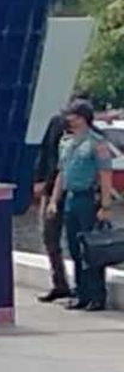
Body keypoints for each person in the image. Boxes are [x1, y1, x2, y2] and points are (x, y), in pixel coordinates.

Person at [48, 99, 113, 312]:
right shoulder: (66, 142)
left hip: (88, 198)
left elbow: (105, 175)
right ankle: (81, 293)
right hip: (71, 198)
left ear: (82, 118)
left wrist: (105, 205)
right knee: (74, 248)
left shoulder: (97, 143)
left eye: (72, 115)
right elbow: (62, 174)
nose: (68, 119)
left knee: (91, 249)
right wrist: (54, 201)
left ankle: (96, 295)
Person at [32, 93, 88, 303]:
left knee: (78, 239)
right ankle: (60, 283)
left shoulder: (91, 135)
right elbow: (46, 151)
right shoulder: (57, 124)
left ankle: (82, 286)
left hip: (76, 190)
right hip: (52, 187)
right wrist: (39, 179)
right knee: (49, 236)